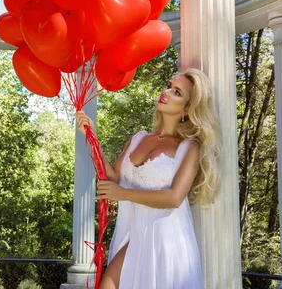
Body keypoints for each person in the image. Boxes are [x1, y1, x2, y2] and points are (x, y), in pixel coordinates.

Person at [75, 68, 222, 289]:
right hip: (134, 233)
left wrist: (123, 194)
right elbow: (113, 177)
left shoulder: (189, 147)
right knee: (107, 284)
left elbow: (174, 198)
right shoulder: (139, 138)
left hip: (165, 239)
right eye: (169, 86)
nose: (167, 92)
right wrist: (92, 138)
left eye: (177, 92)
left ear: (187, 108)